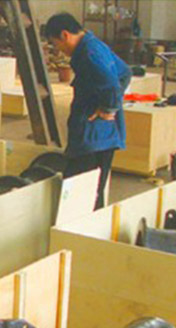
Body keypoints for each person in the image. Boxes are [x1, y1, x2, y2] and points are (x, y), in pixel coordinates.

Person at [45, 13, 132, 209]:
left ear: (65, 35)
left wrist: (108, 109)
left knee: (78, 190)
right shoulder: (95, 44)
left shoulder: (89, 54)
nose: (59, 50)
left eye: (56, 44)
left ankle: (80, 224)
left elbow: (112, 85)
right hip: (105, 135)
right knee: (95, 189)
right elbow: (125, 73)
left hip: (93, 136)